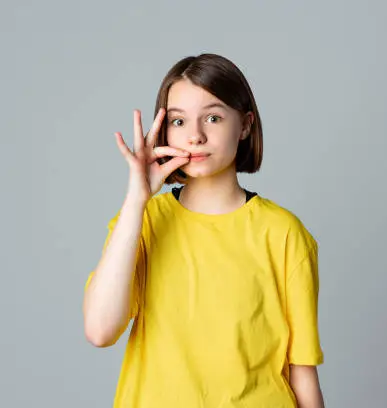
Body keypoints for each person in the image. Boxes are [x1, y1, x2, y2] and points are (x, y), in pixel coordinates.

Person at [82, 53, 325, 408]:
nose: (194, 136)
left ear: (244, 125)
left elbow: (301, 372)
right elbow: (100, 331)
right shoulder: (143, 222)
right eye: (178, 121)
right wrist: (137, 201)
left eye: (213, 117)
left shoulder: (284, 234)